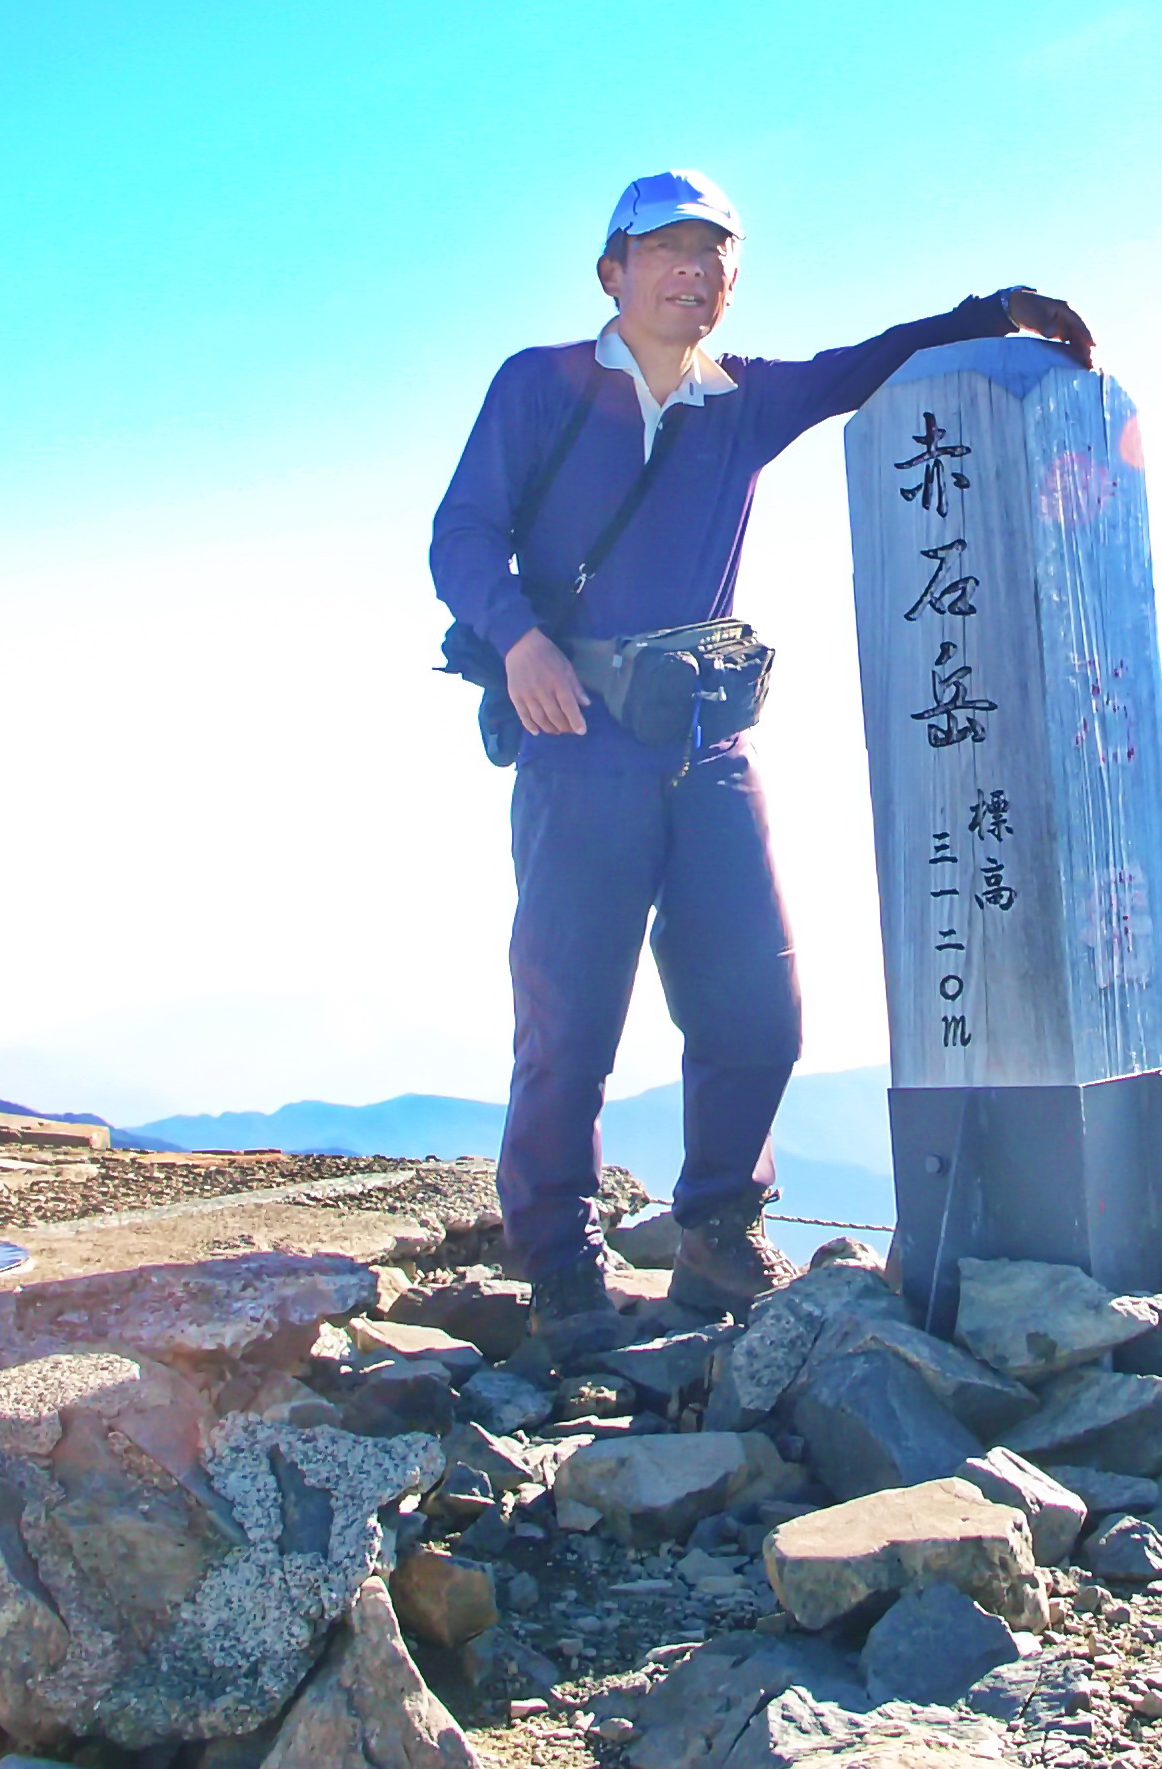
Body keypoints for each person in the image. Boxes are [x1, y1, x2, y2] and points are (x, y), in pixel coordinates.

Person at [429, 168, 1091, 1355]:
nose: (695, 273)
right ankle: (561, 1262)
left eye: (717, 256)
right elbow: (460, 533)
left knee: (759, 1005)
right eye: (668, 251)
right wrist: (522, 641)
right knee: (570, 1014)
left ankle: (719, 1231)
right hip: (579, 742)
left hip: (707, 746)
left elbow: (862, 365)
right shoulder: (544, 386)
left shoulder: (740, 402)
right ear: (611, 272)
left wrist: (996, 312)